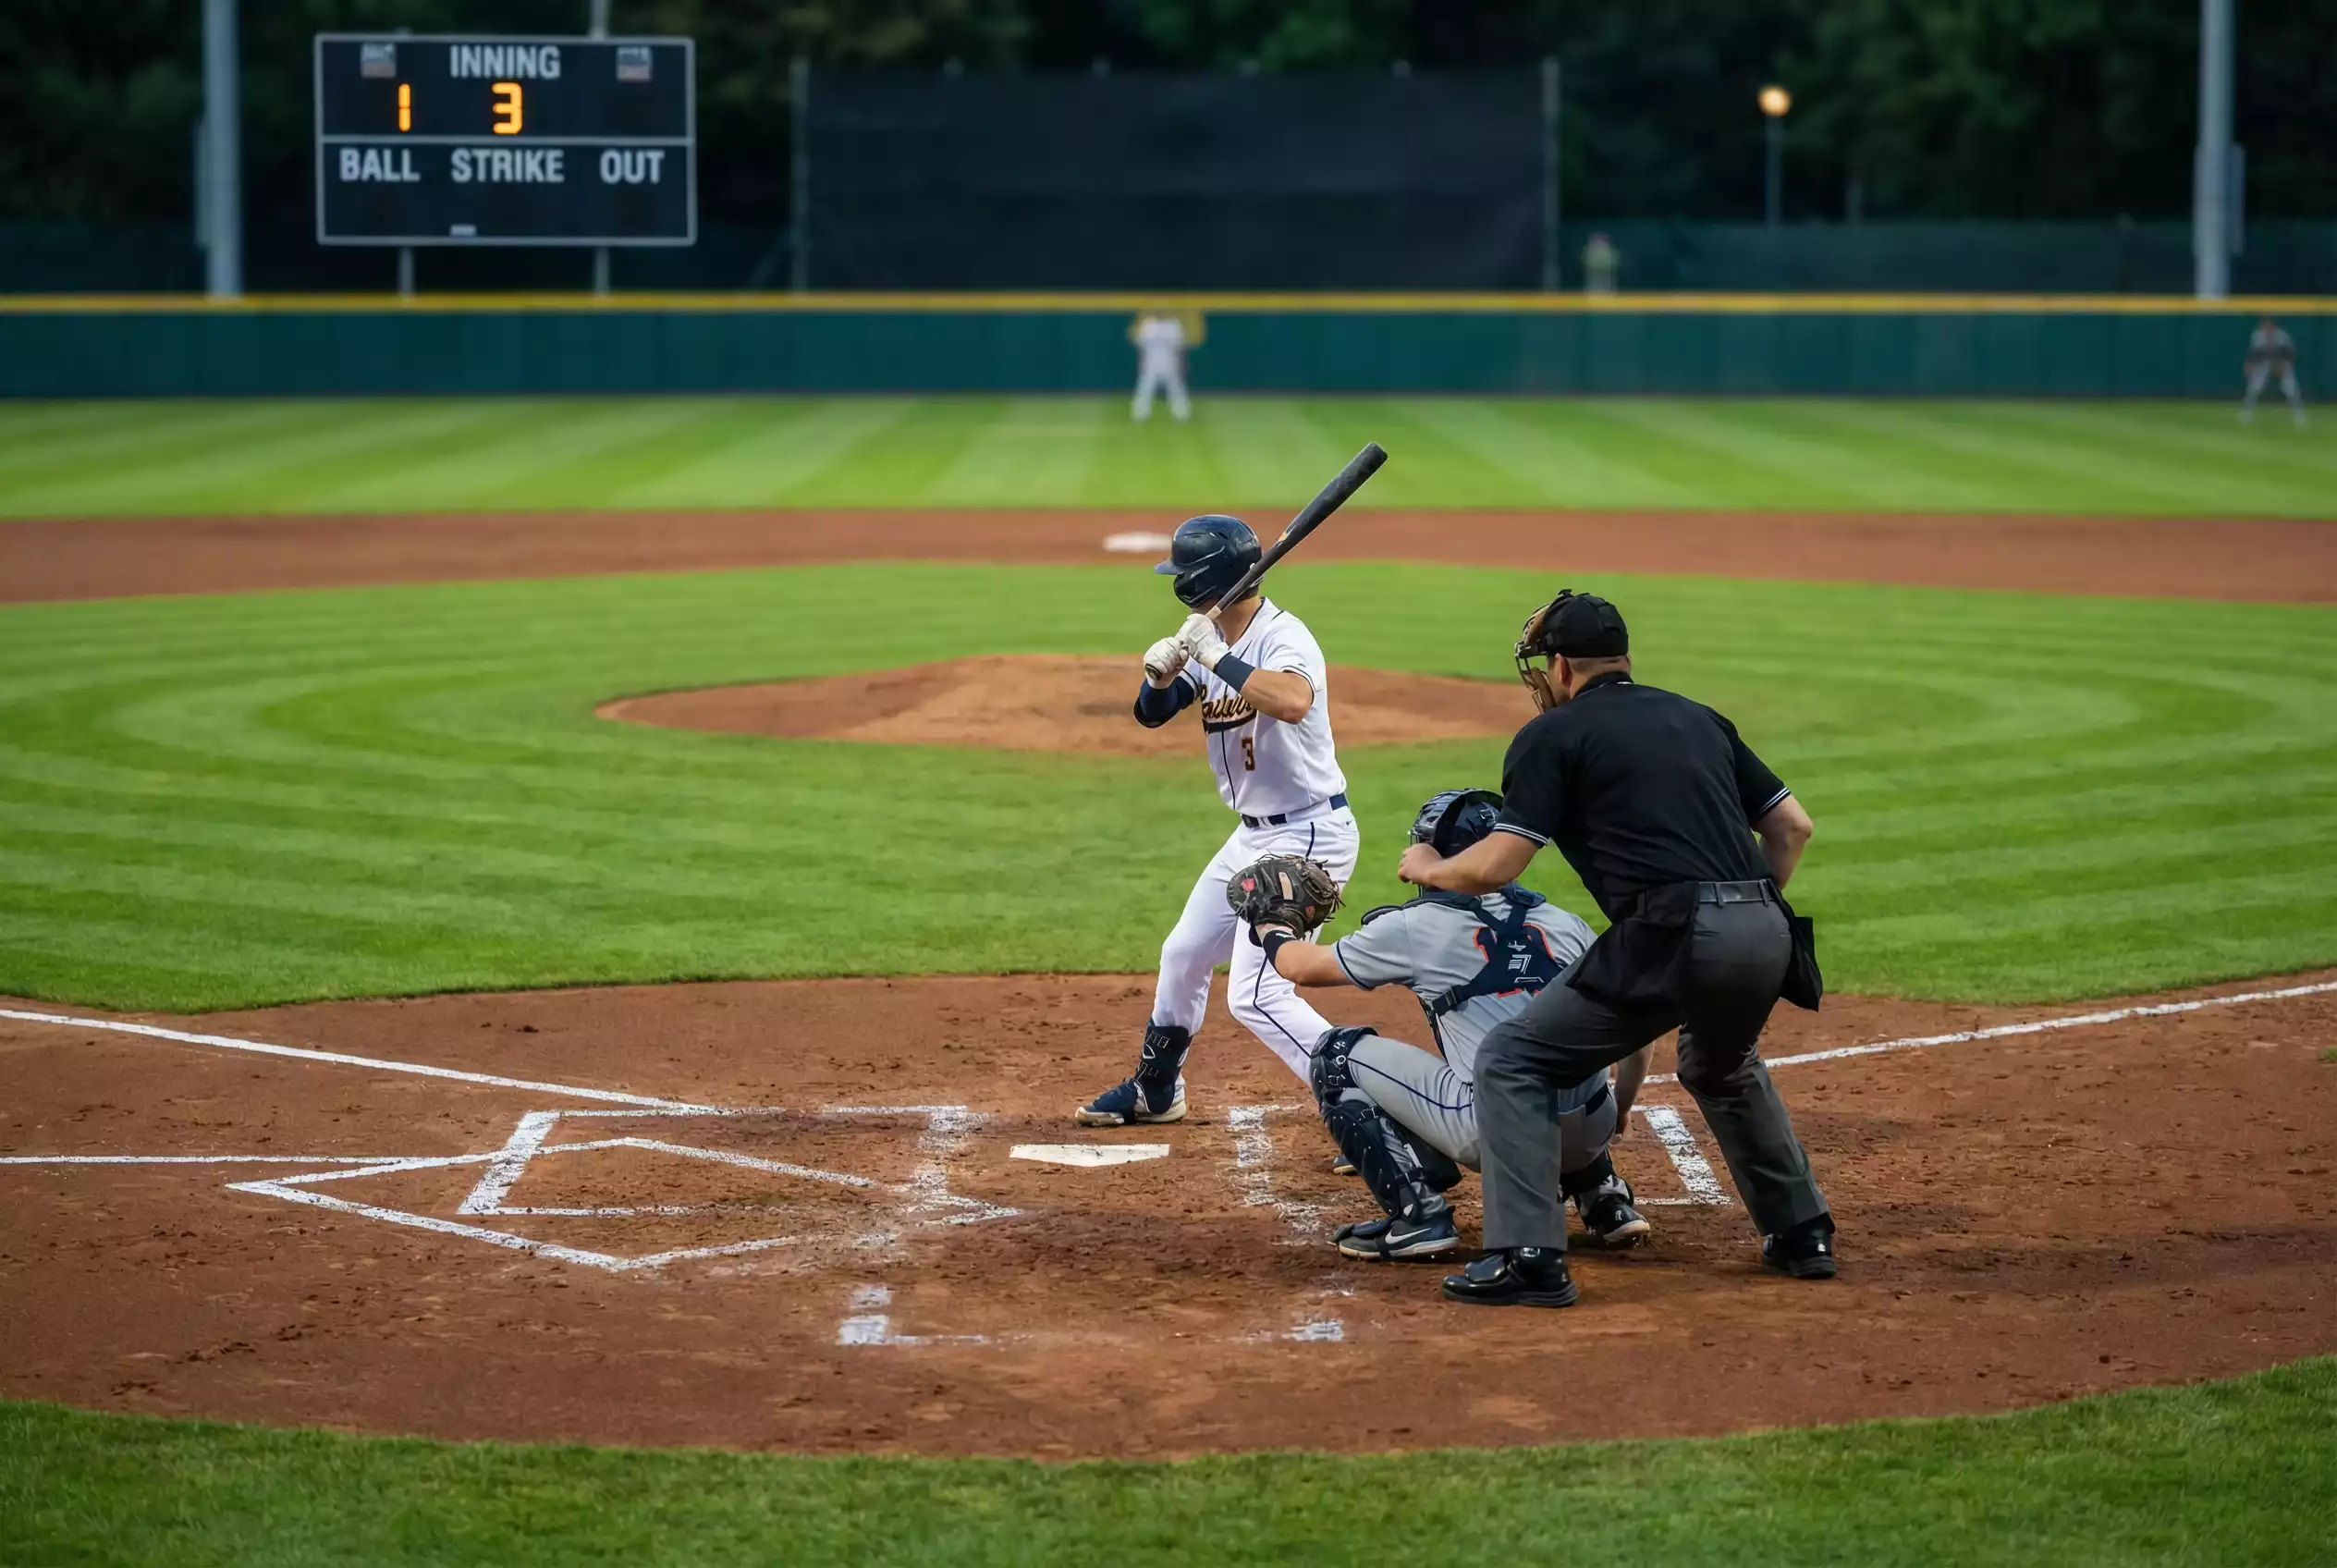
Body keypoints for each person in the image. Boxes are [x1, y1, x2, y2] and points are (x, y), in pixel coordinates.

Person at [1396, 590, 1832, 1308]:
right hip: (1768, 926)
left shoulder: (1553, 736)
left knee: (1514, 1059)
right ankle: (1802, 1233)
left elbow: (1495, 866)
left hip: (1670, 929)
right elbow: (1792, 828)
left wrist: (1429, 869)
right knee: (1723, 1065)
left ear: (1562, 665)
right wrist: (1748, 909)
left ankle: (1529, 1258)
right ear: (1624, 656)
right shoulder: (1699, 717)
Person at [1234, 788, 1654, 1262]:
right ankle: (1604, 1195)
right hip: (1591, 1128)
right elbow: (1636, 1028)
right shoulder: (1566, 924)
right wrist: (1619, 1105)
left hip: (1496, 1137)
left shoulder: (1417, 927)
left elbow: (1300, 967)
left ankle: (1418, 1217)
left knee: (1336, 1055)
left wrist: (1271, 925)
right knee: (1553, 1035)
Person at [1074, 514, 1359, 1125]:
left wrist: (1217, 657)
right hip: (1252, 835)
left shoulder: (1285, 637)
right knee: (1182, 954)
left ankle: (1373, 1098)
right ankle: (1157, 1089)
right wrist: (1160, 678)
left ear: (1200, 579)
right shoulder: (1208, 635)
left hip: (1307, 834)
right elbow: (1153, 714)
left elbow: (1291, 700)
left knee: (1257, 996)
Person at [1129, 311, 1192, 423]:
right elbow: (1140, 343)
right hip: (1154, 364)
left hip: (1167, 364)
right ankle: (1140, 415)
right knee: (1146, 389)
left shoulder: (1171, 326)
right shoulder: (1150, 326)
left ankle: (1181, 415)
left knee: (1174, 389)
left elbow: (1180, 346)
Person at [2241, 316, 2306, 424]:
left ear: (2273, 326)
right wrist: (2249, 364)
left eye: (2268, 326)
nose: (2266, 328)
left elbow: (2290, 353)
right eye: (2264, 326)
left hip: (2282, 362)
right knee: (2254, 386)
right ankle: (2247, 412)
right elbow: (2254, 354)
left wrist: (2282, 365)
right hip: (2264, 363)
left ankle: (2299, 414)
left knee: (2291, 388)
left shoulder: (2282, 336)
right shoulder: (2257, 335)